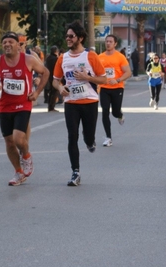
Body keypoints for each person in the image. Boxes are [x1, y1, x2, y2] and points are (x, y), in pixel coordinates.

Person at [0, 31, 49, 186]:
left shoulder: (28, 59)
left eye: (10, 42)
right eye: (4, 42)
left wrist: (37, 92)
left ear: (18, 45)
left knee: (18, 138)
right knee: (9, 142)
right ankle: (18, 172)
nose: (7, 45)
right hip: (5, 105)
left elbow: (45, 72)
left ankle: (26, 156)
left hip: (23, 104)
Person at [52, 21, 106, 186]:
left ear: (80, 38)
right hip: (71, 103)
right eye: (67, 36)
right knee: (72, 136)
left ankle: (90, 141)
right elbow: (55, 81)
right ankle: (75, 172)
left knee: (88, 136)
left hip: (89, 101)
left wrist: (88, 78)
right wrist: (61, 88)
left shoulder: (90, 56)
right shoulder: (63, 58)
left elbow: (103, 79)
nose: (67, 39)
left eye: (71, 36)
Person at [98, 34, 132, 147]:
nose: (108, 43)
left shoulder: (120, 57)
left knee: (115, 112)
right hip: (104, 88)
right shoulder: (100, 57)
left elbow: (128, 72)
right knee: (105, 111)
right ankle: (108, 137)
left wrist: (117, 80)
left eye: (110, 41)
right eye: (107, 41)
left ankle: (120, 115)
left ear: (115, 44)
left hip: (117, 88)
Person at [45, 45, 60, 112]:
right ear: (56, 51)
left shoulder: (48, 58)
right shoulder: (55, 59)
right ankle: (52, 107)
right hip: (54, 76)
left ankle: (50, 106)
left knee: (51, 91)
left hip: (48, 75)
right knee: (54, 92)